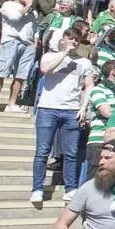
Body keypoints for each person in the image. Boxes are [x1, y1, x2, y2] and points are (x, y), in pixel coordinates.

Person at [31, 28, 94, 204]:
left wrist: (83, 107)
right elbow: (45, 70)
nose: (74, 42)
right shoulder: (49, 56)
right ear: (63, 39)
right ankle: (37, 188)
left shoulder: (84, 62)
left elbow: (89, 86)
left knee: (71, 153)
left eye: (77, 39)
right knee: (42, 151)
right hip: (47, 108)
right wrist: (64, 53)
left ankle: (70, 188)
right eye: (70, 38)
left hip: (72, 110)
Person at [0, 0, 37, 113]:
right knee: (1, 72)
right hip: (11, 41)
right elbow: (14, 17)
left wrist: (35, 44)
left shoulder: (32, 10)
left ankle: (12, 103)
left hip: (28, 44)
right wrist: (27, 7)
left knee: (21, 75)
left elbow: (34, 28)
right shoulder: (8, 5)